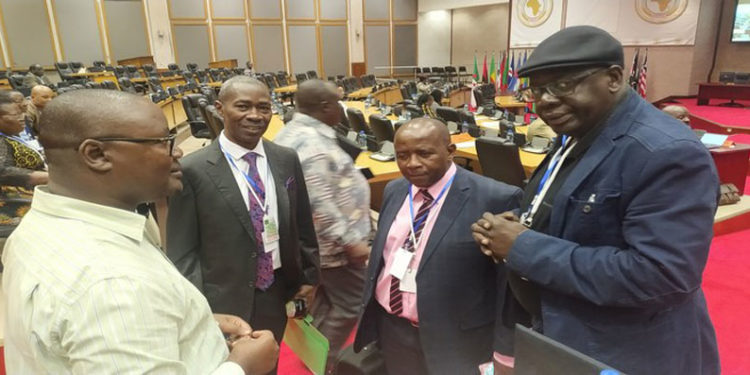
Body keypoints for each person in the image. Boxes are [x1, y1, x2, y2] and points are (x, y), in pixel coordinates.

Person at [471, 26, 720, 375]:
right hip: (563, 331)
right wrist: (519, 220)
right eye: (537, 90)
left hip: (625, 351)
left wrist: (522, 246)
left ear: (614, 78)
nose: (545, 102)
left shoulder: (667, 153)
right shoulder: (578, 129)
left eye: (561, 85)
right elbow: (571, 209)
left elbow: (660, 276)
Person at [2, 89, 279, 374]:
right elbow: (116, 302)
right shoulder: (115, 284)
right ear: (96, 154)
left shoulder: (39, 225)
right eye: (164, 142)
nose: (179, 152)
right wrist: (241, 367)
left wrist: (191, 319)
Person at [167, 76, 320, 372]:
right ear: (219, 108)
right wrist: (201, 310)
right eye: (243, 106)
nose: (255, 115)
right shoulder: (193, 170)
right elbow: (183, 252)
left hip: (274, 290)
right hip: (221, 298)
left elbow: (302, 224)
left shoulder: (285, 158)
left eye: (263, 108)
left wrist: (309, 278)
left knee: (268, 366)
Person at [354, 118, 523, 374]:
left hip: (456, 338)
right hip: (393, 330)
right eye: (402, 156)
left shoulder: (495, 197)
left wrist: (505, 350)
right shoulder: (394, 189)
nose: (412, 164)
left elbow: (507, 287)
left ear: (450, 152)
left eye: (424, 153)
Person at [274, 79, 371, 370]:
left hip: (313, 246)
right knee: (353, 303)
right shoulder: (313, 145)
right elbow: (319, 204)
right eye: (338, 103)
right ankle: (325, 363)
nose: (342, 109)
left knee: (324, 304)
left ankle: (312, 356)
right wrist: (351, 242)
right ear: (327, 106)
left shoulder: (292, 130)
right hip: (332, 248)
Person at [0, 94, 47, 237]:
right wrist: (51, 177)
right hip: (11, 201)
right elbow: (3, 172)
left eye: (22, 113)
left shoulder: (9, 136)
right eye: (15, 115)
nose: (22, 118)